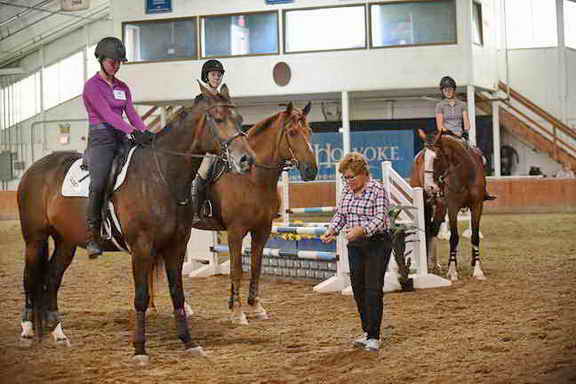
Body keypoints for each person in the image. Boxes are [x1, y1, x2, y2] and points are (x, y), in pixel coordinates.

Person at [82, 36, 155, 259]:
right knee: (100, 181)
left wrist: (145, 131)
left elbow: (131, 113)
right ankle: (93, 234)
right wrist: (131, 131)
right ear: (101, 59)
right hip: (102, 139)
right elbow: (106, 114)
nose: (116, 65)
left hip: (122, 137)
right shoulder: (92, 86)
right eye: (112, 61)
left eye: (119, 62)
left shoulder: (123, 87)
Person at [320, 153, 392, 353]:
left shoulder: (377, 190)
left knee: (373, 289)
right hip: (355, 245)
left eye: (351, 177)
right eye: (345, 177)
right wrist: (332, 230)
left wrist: (362, 230)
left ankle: (375, 337)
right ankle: (367, 332)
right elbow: (341, 214)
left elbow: (380, 219)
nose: (348, 181)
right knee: (358, 289)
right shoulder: (347, 190)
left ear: (363, 174)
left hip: (377, 243)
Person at [425, 76, 495, 200]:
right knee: (435, 158)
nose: (448, 91)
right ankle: (436, 188)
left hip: (460, 136)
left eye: (450, 89)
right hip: (446, 136)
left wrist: (465, 128)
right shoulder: (440, 106)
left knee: (480, 157)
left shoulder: (462, 105)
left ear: (454, 90)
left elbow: (467, 123)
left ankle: (483, 189)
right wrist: (451, 133)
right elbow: (440, 126)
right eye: (445, 90)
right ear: (442, 91)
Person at [190, 59, 226, 222]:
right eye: (213, 75)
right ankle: (197, 210)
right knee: (204, 171)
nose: (217, 78)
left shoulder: (223, 98)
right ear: (206, 77)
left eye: (219, 75)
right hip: (207, 146)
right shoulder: (200, 99)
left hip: (224, 143)